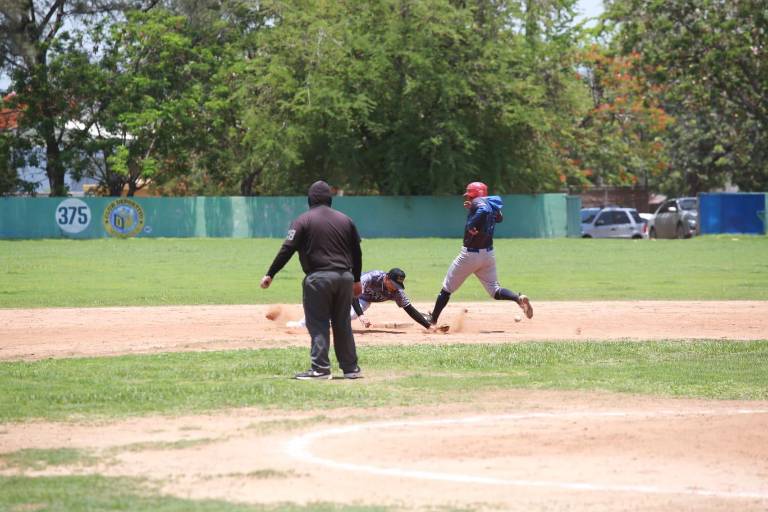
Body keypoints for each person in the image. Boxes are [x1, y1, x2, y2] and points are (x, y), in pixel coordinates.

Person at [260, 180, 363, 381]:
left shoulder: (303, 220)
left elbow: (287, 249)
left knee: (318, 323)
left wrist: (270, 273)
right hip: (344, 278)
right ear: (330, 199)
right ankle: (351, 368)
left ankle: (320, 369)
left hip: (319, 278)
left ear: (310, 199)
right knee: (342, 323)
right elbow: (357, 252)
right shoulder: (346, 220)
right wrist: (357, 280)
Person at [428, 181, 533, 326]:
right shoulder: (491, 204)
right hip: (488, 255)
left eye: (469, 195)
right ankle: (517, 298)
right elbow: (499, 218)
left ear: (473, 194)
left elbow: (482, 210)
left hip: (469, 256)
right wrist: (473, 209)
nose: (468, 198)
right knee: (495, 291)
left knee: (446, 289)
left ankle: (432, 320)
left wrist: (471, 223)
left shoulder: (479, 203)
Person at [286, 268, 436, 331]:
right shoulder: (371, 277)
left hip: (364, 299)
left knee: (350, 315)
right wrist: (362, 315)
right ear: (386, 278)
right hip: (347, 290)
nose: (395, 287)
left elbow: (409, 309)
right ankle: (301, 324)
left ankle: (324, 325)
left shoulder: (397, 292)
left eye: (398, 285)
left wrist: (428, 327)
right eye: (393, 283)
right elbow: (353, 293)